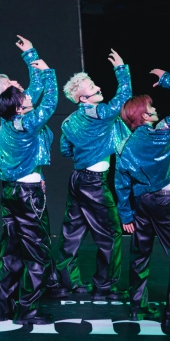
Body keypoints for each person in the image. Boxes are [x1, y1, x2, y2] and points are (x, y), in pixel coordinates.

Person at [116, 69, 170, 327]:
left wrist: (126, 214)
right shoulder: (167, 130)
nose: (155, 108)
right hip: (165, 201)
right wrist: (168, 80)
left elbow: (121, 181)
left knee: (140, 254)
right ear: (144, 115)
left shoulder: (127, 144)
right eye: (150, 106)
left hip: (142, 203)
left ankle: (137, 308)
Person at [54, 49, 132, 300]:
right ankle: (104, 286)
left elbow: (65, 149)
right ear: (82, 98)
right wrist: (121, 69)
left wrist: (86, 150)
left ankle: (67, 282)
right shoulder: (99, 114)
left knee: (72, 232)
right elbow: (123, 97)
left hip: (78, 179)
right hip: (95, 183)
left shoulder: (68, 122)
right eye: (92, 87)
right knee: (111, 233)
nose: (98, 87)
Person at [0, 51, 57, 325]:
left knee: (11, 252)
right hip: (28, 195)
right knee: (37, 253)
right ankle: (28, 311)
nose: (27, 96)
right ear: (18, 108)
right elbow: (50, 101)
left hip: (10, 192)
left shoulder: (3, 127)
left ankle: (3, 308)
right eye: (21, 96)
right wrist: (48, 71)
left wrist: (31, 57)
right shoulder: (27, 124)